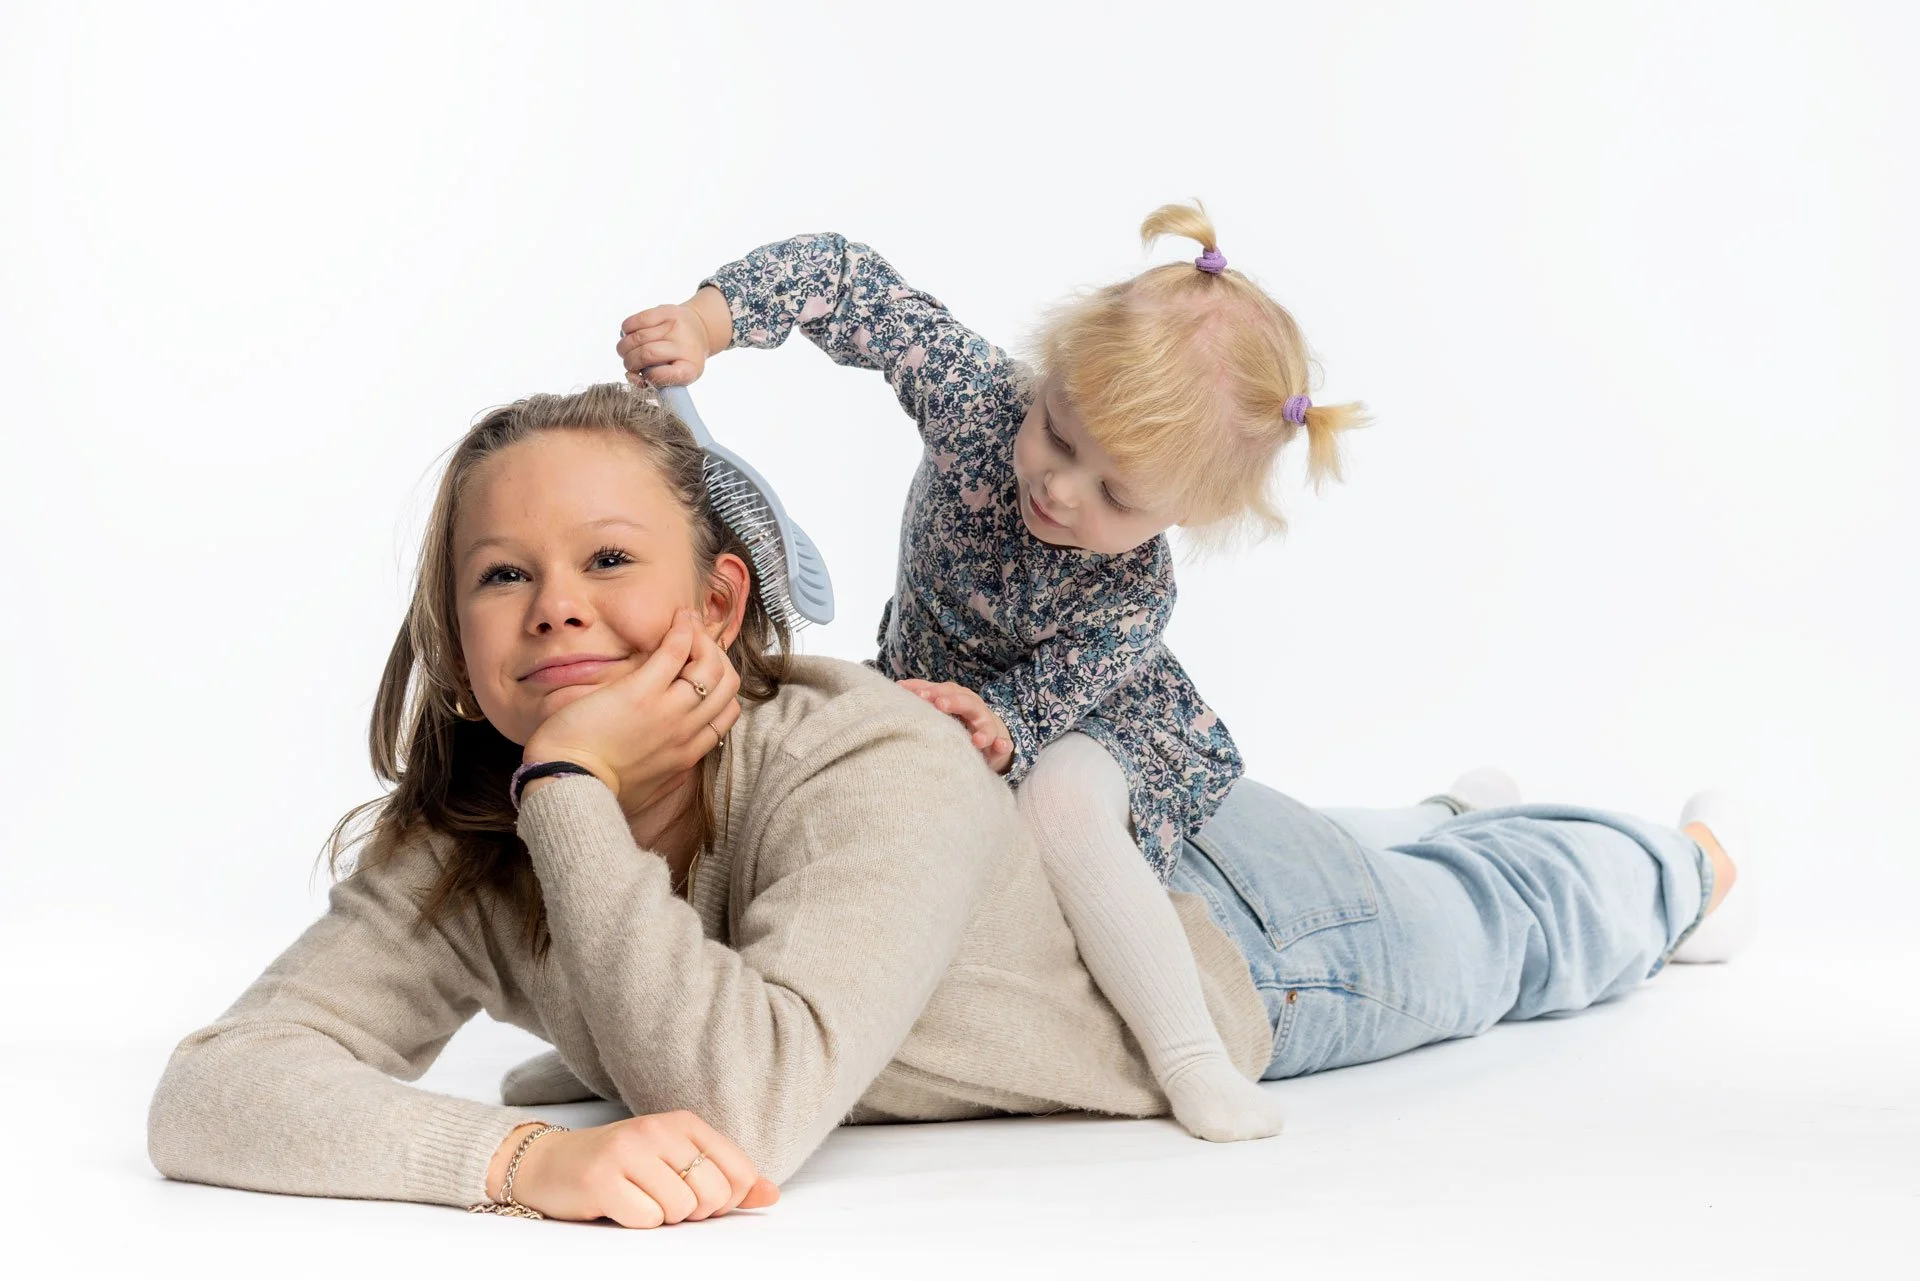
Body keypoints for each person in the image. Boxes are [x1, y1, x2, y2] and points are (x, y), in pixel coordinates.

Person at [147, 382, 1752, 1228]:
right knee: (1418, 843)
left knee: (1516, 922)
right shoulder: (469, 844)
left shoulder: (866, 757)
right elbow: (212, 1093)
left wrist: (571, 781)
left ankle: (1676, 863)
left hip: (1241, 952)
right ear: (460, 634)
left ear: (718, 602)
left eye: (609, 562)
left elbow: (746, 1106)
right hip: (1112, 866)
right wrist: (511, 1171)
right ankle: (1445, 808)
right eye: (505, 576)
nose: (557, 608)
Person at [616, 203, 1362, 1141]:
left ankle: (1191, 1058)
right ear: (1047, 376)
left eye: (1116, 493)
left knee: (1058, 807)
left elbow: (1030, 719)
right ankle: (635, 1028)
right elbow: (849, 285)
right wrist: (709, 320)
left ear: (1186, 512)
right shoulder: (977, 402)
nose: (1059, 486)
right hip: (922, 685)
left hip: (1098, 725)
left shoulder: (1134, 593)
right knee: (770, 756)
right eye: (1057, 430)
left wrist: (992, 718)